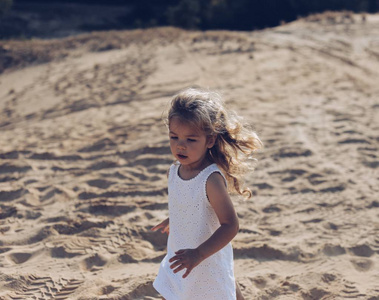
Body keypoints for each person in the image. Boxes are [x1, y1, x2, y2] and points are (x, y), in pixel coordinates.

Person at [152, 87, 263, 300]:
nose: (180, 146)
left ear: (210, 140)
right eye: (174, 137)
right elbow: (188, 202)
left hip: (205, 256)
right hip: (181, 252)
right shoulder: (174, 171)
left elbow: (231, 225)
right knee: (175, 289)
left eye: (191, 140)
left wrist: (199, 254)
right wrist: (174, 218)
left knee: (219, 286)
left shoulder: (210, 179)